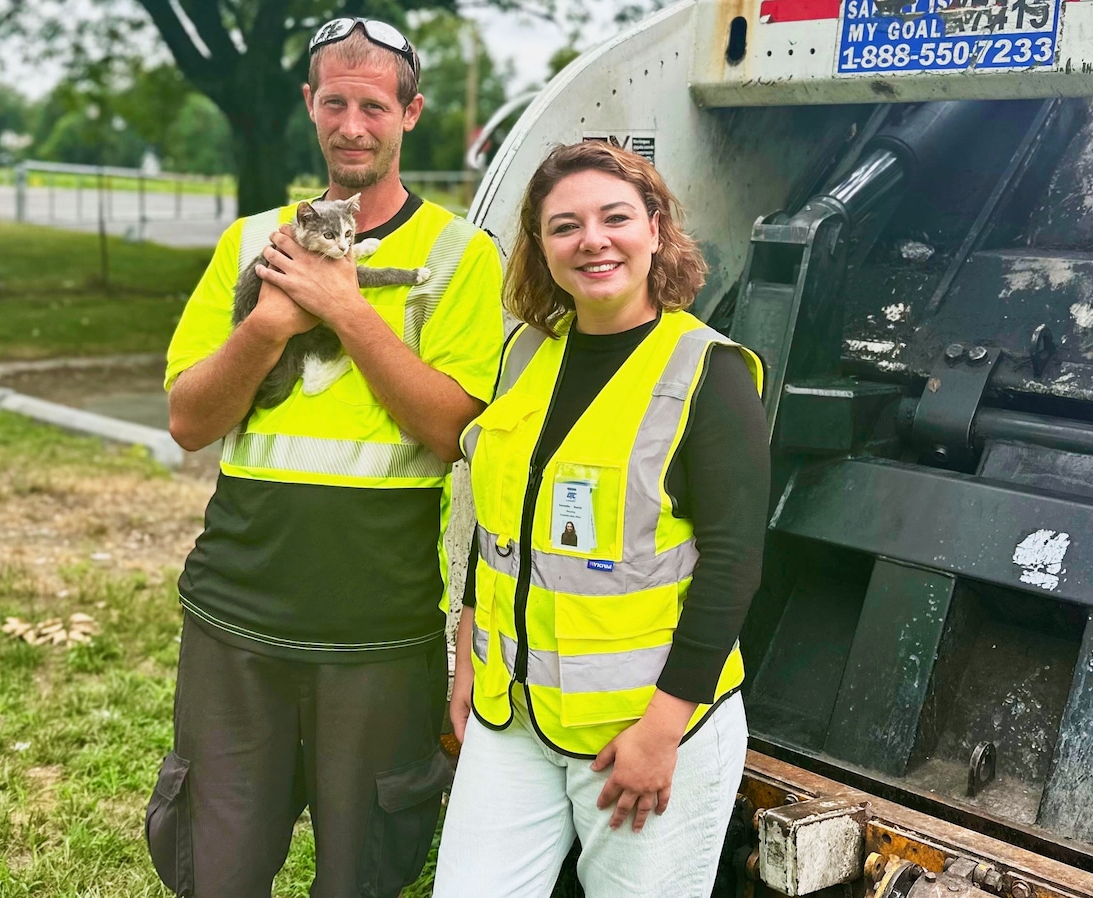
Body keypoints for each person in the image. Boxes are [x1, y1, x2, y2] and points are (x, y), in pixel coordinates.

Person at [144, 17, 503, 898]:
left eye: (374, 105)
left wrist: (343, 309)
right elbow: (189, 422)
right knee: (217, 871)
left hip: (377, 626)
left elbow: (454, 431)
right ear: (310, 104)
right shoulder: (250, 242)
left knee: (360, 875)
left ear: (410, 114)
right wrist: (270, 320)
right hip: (237, 611)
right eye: (334, 102)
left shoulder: (461, 257)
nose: (352, 124)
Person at [433, 141, 771, 897]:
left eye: (615, 217)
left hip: (644, 728)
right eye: (564, 226)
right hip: (511, 714)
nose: (593, 240)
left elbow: (733, 565)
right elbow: (497, 522)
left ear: (655, 229)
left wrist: (664, 729)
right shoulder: (524, 354)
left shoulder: (707, 374)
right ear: (541, 246)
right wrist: (468, 646)